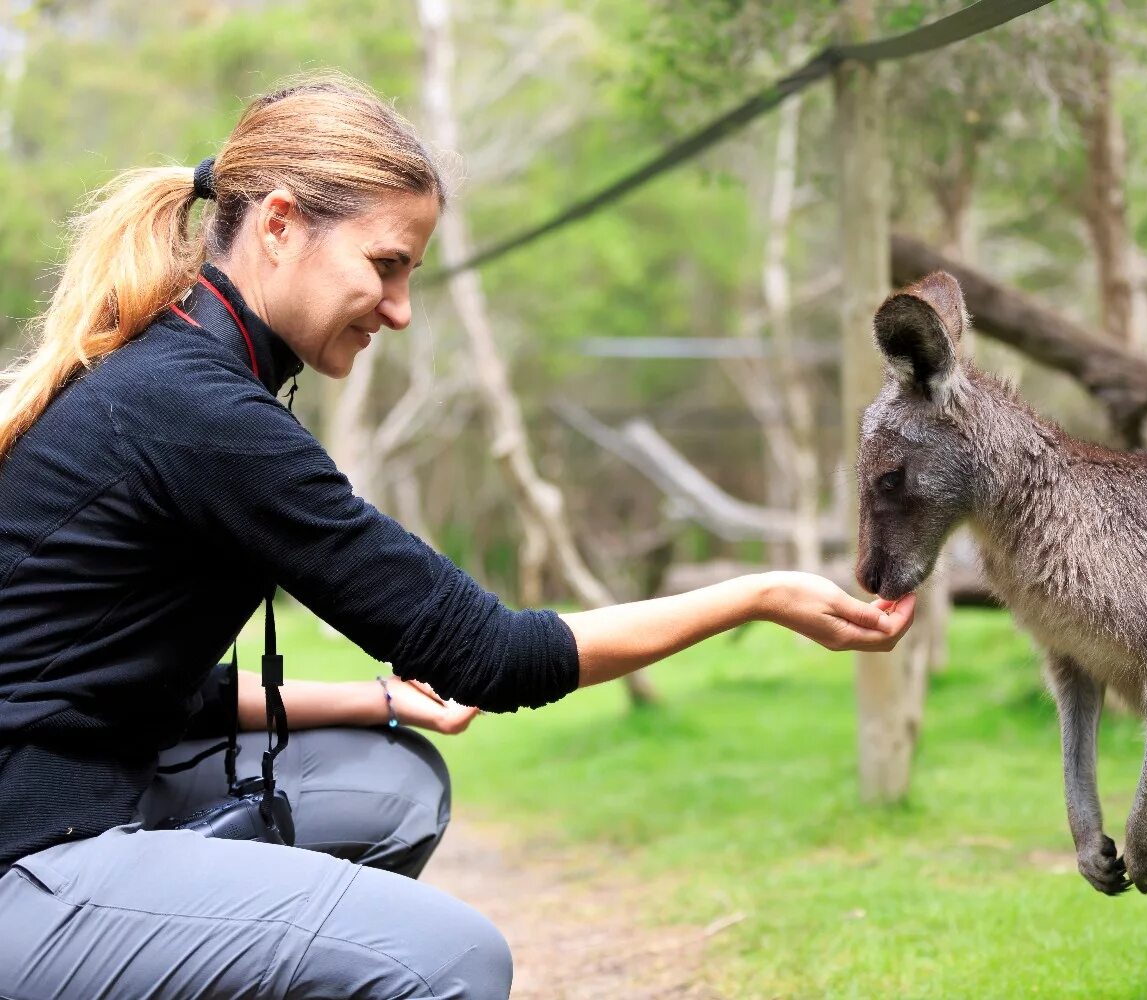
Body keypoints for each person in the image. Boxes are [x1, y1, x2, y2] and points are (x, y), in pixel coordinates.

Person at [0, 75, 916, 999]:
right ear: (279, 226)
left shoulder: (183, 366)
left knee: (394, 785)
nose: (398, 309)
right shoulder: (197, 408)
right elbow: (493, 656)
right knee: (451, 960)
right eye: (386, 264)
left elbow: (124, 685)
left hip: (84, 786)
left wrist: (378, 699)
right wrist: (754, 596)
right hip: (26, 852)